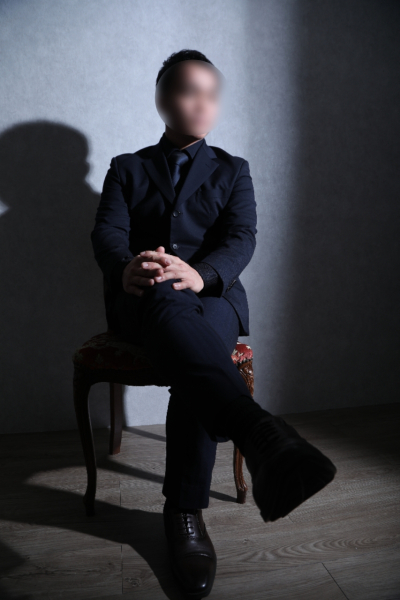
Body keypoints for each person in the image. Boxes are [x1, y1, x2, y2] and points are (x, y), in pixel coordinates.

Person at [91, 49, 337, 599]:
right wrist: (125, 265)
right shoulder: (126, 167)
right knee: (167, 295)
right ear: (162, 98)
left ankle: (185, 511)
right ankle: (235, 459)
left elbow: (242, 238)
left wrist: (201, 275)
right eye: (189, 91)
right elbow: (107, 231)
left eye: (212, 94)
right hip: (146, 296)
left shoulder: (233, 169)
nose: (203, 104)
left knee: (193, 356)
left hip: (216, 299)